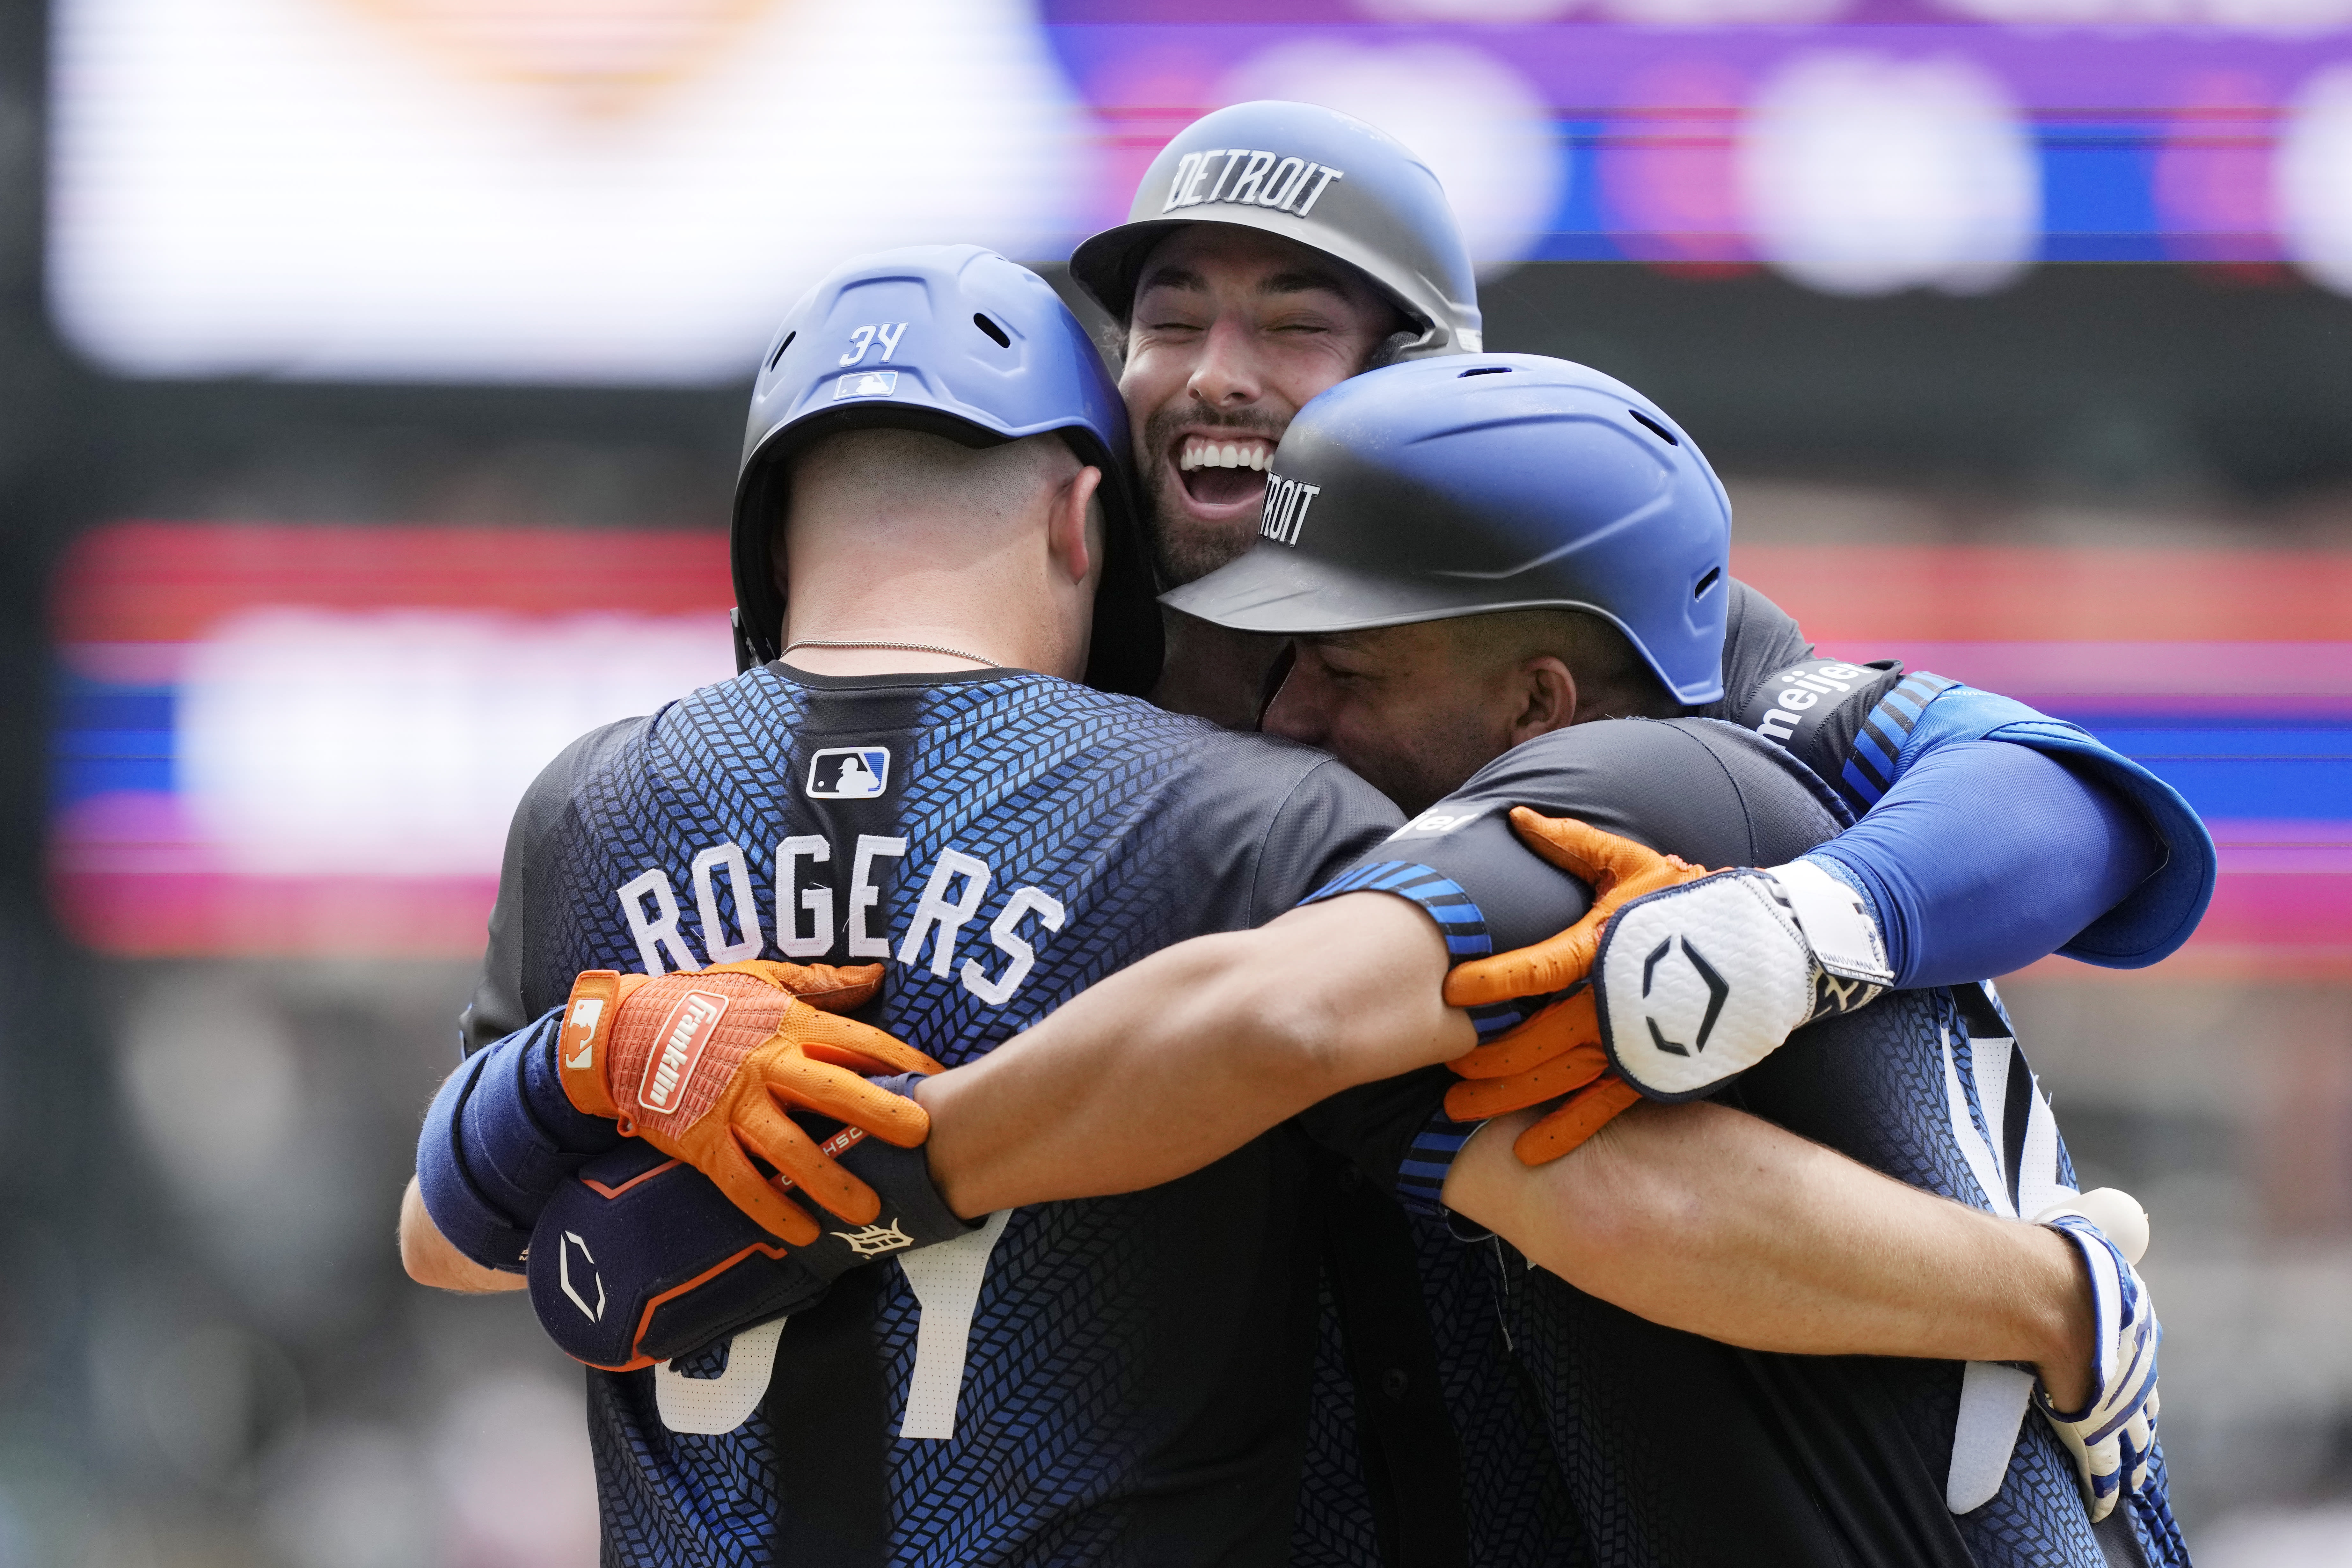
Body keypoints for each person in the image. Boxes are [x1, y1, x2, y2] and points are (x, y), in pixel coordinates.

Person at [402, 249, 2180, 1563]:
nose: (1213, 379)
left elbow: (2068, 798)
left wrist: (646, 1095)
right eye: (1169, 318)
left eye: (1297, 326)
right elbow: (1519, 1154)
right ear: (1087, 503)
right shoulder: (1262, 794)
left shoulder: (1654, 745)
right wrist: (2045, 1287)